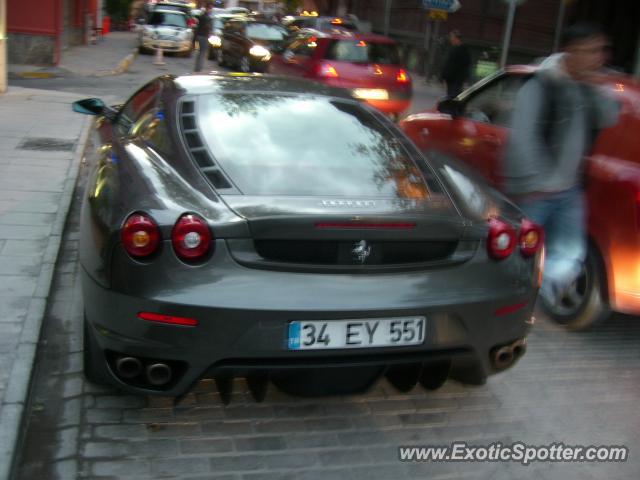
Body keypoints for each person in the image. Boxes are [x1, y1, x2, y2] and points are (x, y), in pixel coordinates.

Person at [502, 23, 620, 309]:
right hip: (535, 191)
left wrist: (594, 87)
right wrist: (536, 183)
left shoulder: (584, 88)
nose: (598, 57)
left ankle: (534, 297)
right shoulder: (540, 86)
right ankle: (509, 304)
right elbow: (522, 138)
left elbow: (609, 118)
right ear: (571, 51)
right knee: (520, 256)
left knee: (570, 254)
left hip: (568, 189)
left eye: (601, 51)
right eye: (591, 50)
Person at [440, 30, 472, 98]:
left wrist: (445, 76)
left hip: (456, 80)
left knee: (453, 96)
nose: (451, 40)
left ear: (456, 39)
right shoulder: (454, 49)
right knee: (451, 96)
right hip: (452, 79)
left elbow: (453, 65)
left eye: (452, 38)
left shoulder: (462, 50)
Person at [194, 2, 214, 73]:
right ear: (208, 8)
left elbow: (198, 26)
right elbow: (207, 27)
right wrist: (209, 30)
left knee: (199, 53)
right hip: (203, 37)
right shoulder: (206, 17)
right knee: (202, 53)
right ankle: (199, 69)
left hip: (199, 36)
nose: (211, 10)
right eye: (211, 8)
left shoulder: (202, 15)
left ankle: (197, 68)